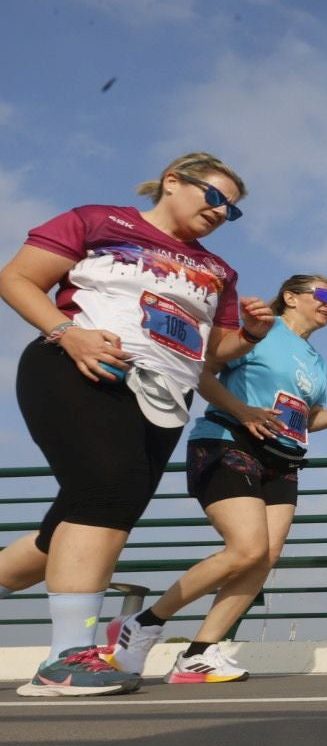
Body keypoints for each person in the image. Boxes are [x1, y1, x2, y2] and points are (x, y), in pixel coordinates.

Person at [0, 152, 272, 696]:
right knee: (106, 494)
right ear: (172, 182)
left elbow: (213, 353)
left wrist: (249, 334)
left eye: (232, 209)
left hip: (165, 398)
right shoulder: (98, 220)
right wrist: (67, 333)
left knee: (76, 522)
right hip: (85, 365)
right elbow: (18, 278)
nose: (221, 212)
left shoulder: (220, 271)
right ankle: (65, 660)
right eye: (214, 197)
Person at [104, 274, 327, 683]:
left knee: (264, 557)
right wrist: (243, 411)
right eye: (324, 295)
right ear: (290, 296)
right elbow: (203, 372)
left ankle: (198, 654)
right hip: (229, 441)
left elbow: (308, 418)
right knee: (246, 549)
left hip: (283, 459)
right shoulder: (262, 330)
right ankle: (143, 623)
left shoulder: (316, 360)